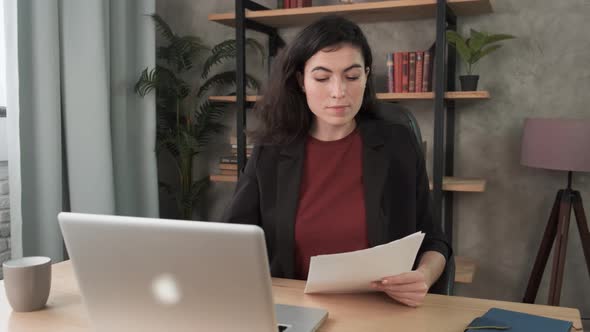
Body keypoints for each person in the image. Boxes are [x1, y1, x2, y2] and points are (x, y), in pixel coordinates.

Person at [223, 15, 451, 308]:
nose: (338, 91)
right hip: (296, 309)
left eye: (352, 76)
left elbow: (434, 239)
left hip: (381, 309)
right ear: (300, 81)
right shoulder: (271, 152)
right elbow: (232, 243)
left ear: (367, 75)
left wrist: (423, 276)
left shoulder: (398, 144)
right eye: (321, 77)